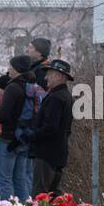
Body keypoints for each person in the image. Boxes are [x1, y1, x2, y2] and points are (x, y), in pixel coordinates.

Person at [0, 55, 36, 201]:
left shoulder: (13, 87)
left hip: (8, 140)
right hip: (23, 139)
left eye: (11, 66)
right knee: (20, 179)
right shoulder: (31, 86)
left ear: (17, 69)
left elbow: (3, 113)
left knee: (4, 180)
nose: (8, 69)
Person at [29, 59, 75, 194]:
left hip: (46, 155)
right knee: (53, 196)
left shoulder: (56, 98)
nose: (45, 77)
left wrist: (31, 135)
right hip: (58, 154)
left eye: (49, 74)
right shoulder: (66, 96)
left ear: (60, 76)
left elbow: (50, 127)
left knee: (40, 196)